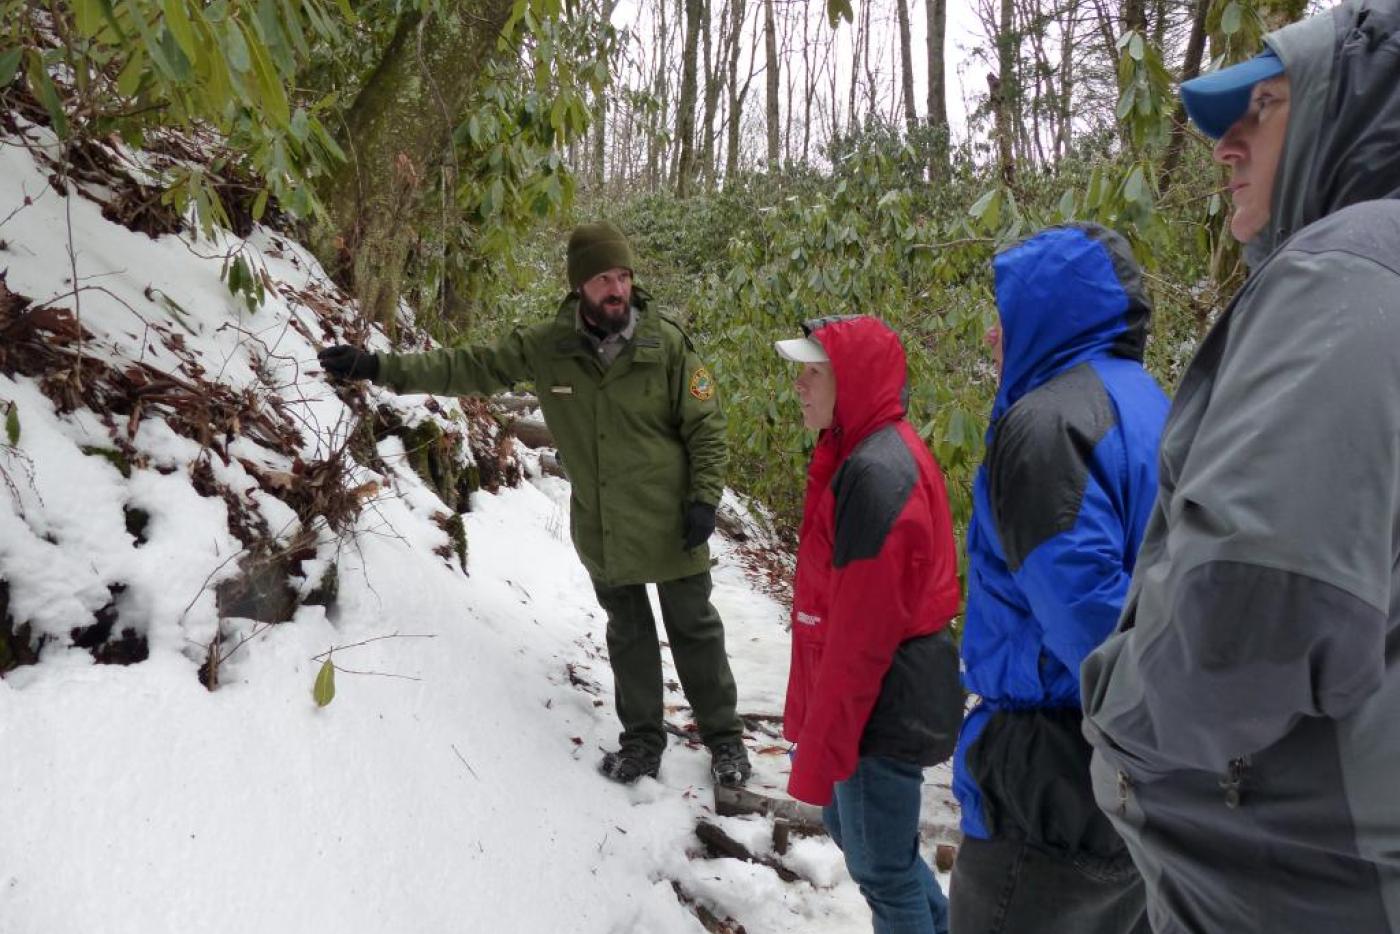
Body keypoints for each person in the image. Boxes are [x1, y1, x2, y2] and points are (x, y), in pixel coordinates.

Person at [1081, 3, 1400, 931]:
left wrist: (1115, 720)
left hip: (1306, 881)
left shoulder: (1346, 269)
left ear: (1355, 116)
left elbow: (1248, 608)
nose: (1225, 144)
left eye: (1261, 107)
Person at [319, 222, 751, 788]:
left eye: (623, 275)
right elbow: (467, 366)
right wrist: (380, 368)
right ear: (580, 287)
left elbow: (708, 429)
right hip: (604, 526)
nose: (617, 287)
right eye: (604, 278)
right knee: (628, 630)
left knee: (694, 626)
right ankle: (642, 741)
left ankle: (725, 740)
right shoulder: (549, 347)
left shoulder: (666, 345)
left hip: (673, 520)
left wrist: (703, 499)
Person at [949, 223, 1168, 934]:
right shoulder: (1155, 405)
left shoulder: (1046, 424)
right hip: (1139, 773)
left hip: (1051, 769)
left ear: (1051, 312)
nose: (993, 339)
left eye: (1005, 318)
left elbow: (1089, 622)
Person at [775, 315, 962, 934]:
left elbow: (861, 637)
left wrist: (830, 735)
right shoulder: (861, 452)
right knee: (865, 843)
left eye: (813, 372)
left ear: (849, 380)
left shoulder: (878, 472)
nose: (799, 385)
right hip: (877, 695)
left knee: (882, 869)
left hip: (881, 701)